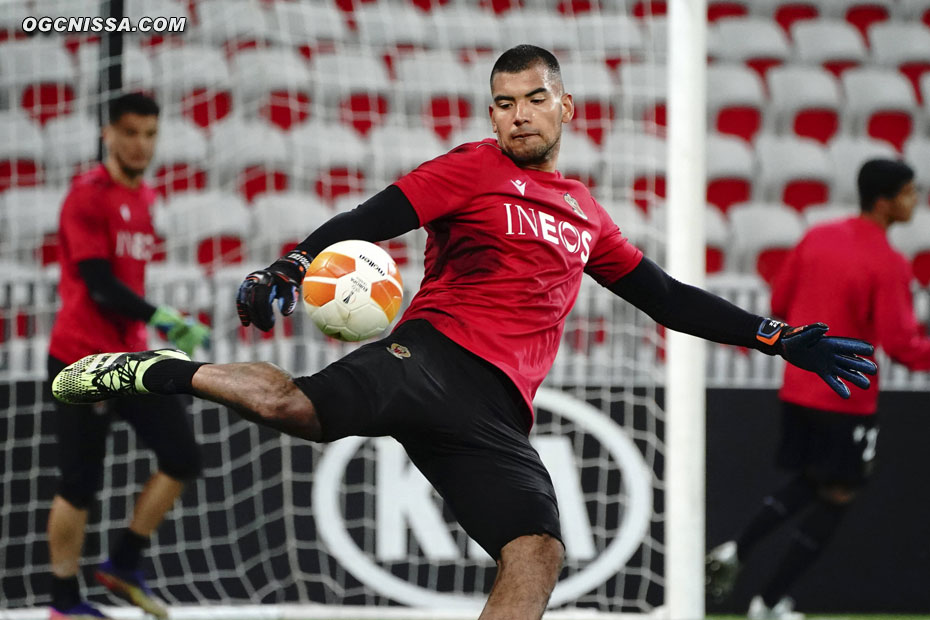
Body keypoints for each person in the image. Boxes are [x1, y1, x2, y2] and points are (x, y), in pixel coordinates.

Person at [51, 46, 875, 620]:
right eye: (505, 103)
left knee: (537, 552)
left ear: (565, 105)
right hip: (431, 356)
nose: (519, 116)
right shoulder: (472, 167)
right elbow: (374, 216)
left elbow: (665, 299)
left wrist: (774, 336)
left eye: (533, 100)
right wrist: (292, 265)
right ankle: (157, 370)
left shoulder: (587, 214)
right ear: (493, 112)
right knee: (289, 411)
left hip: (496, 414)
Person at [705, 159, 930, 620]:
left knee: (810, 480)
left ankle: (737, 549)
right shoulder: (887, 263)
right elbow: (904, 346)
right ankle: (768, 603)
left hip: (797, 389)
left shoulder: (817, 236)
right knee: (838, 494)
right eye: (910, 193)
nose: (916, 201)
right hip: (847, 395)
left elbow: (781, 303)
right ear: (886, 202)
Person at [46, 92, 210, 620]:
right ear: (108, 135)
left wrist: (153, 325)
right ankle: (64, 603)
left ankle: (123, 561)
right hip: (81, 361)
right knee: (80, 484)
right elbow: (98, 287)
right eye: (131, 133)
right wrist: (163, 317)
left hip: (128, 357)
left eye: (150, 134)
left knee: (183, 457)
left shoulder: (143, 197)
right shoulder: (87, 196)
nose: (141, 145)